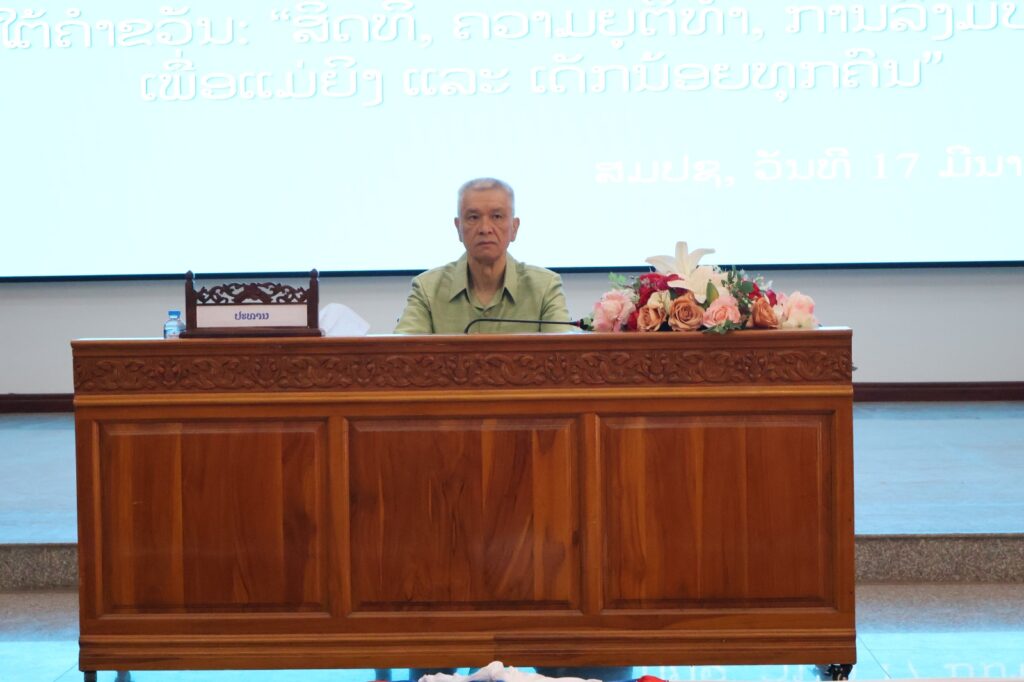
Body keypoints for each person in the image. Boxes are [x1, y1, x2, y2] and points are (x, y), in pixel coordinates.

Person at [395, 178, 571, 334]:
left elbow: (565, 354)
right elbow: (401, 354)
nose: (485, 228)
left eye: (497, 216)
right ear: (458, 228)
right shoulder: (427, 289)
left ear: (514, 227)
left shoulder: (545, 288)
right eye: (473, 217)